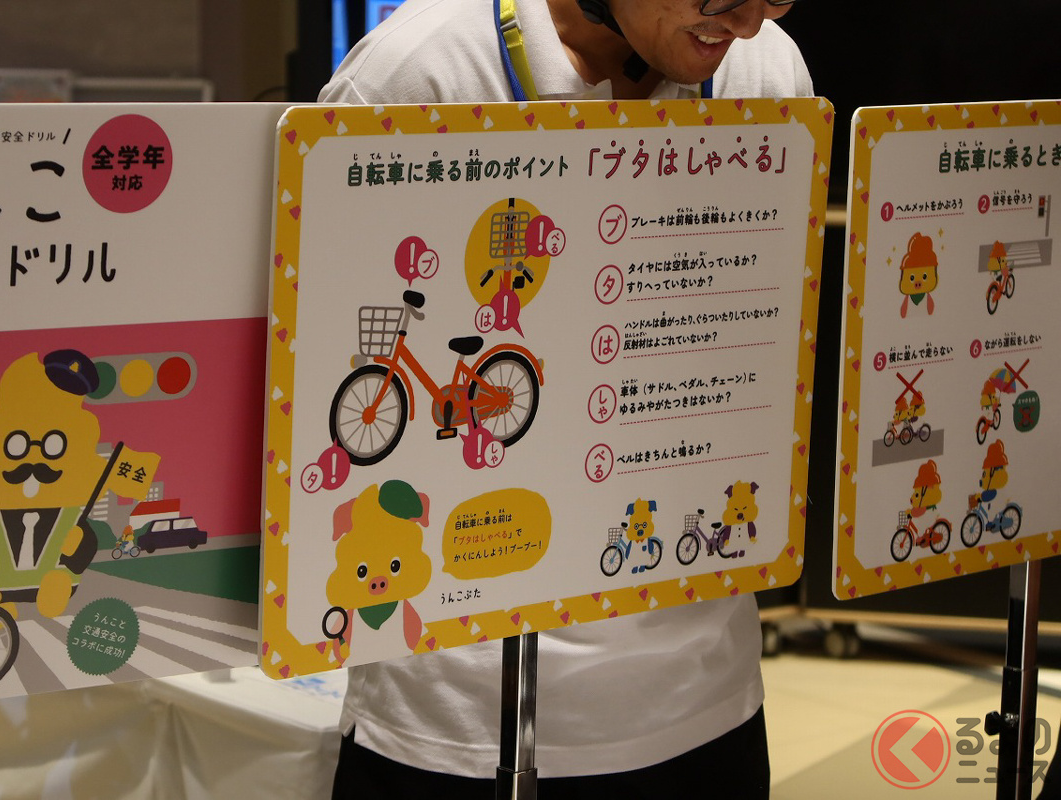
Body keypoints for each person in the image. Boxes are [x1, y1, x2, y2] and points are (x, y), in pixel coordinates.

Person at [319, 1, 812, 796]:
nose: (749, 22)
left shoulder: (768, 72)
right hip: (452, 729)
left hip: (706, 703)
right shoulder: (417, 75)